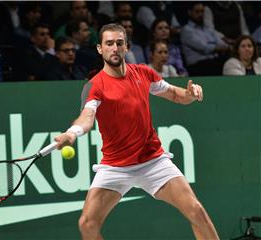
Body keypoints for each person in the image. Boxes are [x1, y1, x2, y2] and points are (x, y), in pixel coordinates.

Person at [54, 23, 219, 240]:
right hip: (115, 167)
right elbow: (87, 117)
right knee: (87, 224)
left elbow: (176, 95)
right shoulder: (95, 86)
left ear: (127, 47)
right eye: (109, 43)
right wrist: (72, 133)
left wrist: (190, 93)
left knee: (196, 211)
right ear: (100, 49)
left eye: (119, 43)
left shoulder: (143, 73)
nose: (114, 48)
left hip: (153, 161)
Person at [180, 2, 230, 76]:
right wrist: (224, 48)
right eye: (197, 11)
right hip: (197, 66)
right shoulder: (186, 30)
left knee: (229, 61)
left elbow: (220, 43)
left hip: (213, 62)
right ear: (190, 12)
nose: (200, 14)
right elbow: (204, 48)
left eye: (202, 11)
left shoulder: (207, 29)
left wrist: (227, 47)